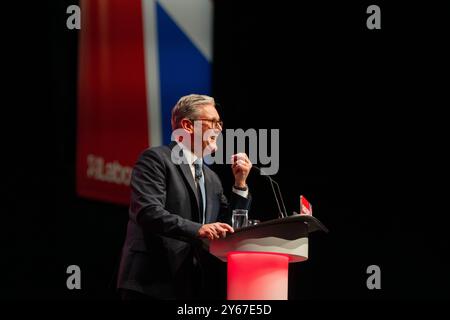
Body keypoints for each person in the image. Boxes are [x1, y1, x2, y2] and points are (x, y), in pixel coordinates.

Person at [117, 94, 252, 299]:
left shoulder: (212, 178)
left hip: (191, 286)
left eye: (220, 123)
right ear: (188, 125)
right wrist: (198, 229)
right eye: (213, 122)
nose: (219, 128)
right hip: (150, 283)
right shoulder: (156, 159)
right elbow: (147, 212)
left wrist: (240, 184)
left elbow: (229, 227)